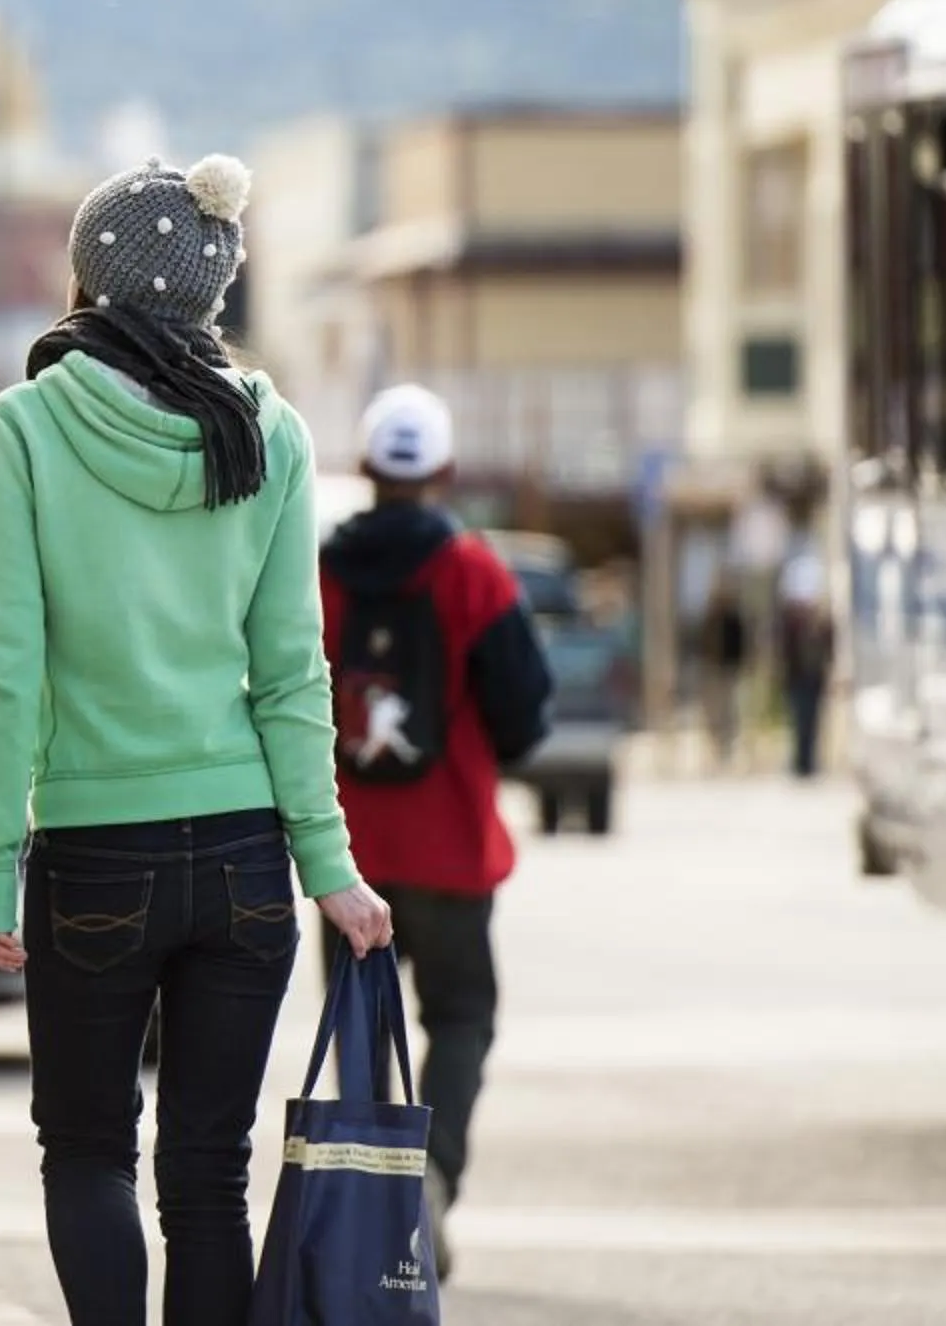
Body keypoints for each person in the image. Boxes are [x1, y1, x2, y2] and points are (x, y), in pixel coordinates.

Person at [0, 155, 393, 1326]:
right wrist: (329, 866)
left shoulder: (29, 424)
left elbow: (3, 670)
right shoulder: (272, 432)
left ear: (92, 279)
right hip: (246, 859)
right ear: (210, 287)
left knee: (90, 1150)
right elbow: (295, 672)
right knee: (210, 1177)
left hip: (95, 850)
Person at [318, 383, 552, 1280]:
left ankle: (376, 1207)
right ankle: (435, 1176)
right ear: (445, 472)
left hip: (346, 853)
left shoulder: (322, 574)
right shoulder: (474, 572)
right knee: (460, 1016)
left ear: (368, 470)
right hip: (452, 847)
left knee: (357, 1030)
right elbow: (526, 714)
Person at [776, 547, 833, 781]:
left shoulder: (821, 622)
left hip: (815, 677)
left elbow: (829, 646)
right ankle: (800, 762)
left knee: (812, 720)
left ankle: (809, 761)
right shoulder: (792, 623)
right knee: (799, 719)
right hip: (798, 677)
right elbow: (785, 650)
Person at [703, 585, 751, 771]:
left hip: (730, 670)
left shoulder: (733, 619)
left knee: (730, 710)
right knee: (715, 711)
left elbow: (741, 644)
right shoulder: (712, 619)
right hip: (714, 670)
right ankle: (716, 746)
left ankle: (728, 746)